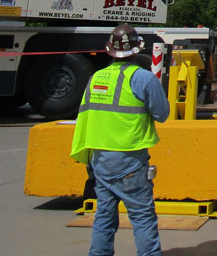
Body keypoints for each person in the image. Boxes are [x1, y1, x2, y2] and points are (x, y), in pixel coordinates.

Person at [71, 24, 170, 256]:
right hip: (130, 160)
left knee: (104, 217)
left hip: (100, 159)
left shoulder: (96, 78)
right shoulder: (143, 78)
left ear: (110, 50)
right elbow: (162, 114)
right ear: (136, 50)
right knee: (143, 218)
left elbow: (86, 116)